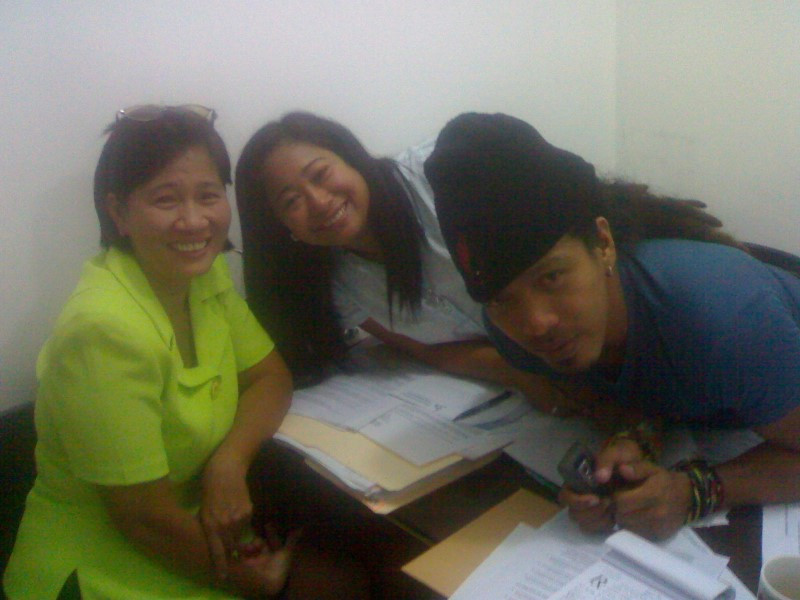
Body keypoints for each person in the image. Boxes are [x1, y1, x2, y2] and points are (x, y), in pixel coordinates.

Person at [3, 105, 367, 599]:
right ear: (119, 212)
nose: (194, 221)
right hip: (103, 570)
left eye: (209, 195)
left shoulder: (202, 277)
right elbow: (142, 519)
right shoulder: (101, 330)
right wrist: (255, 581)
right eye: (166, 199)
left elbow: (270, 378)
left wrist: (228, 463)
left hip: (198, 535)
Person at [424, 111, 800, 541]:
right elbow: (643, 390)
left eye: (551, 277)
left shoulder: (724, 323)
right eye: (502, 298)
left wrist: (694, 492)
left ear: (603, 244)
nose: (536, 325)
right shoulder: (513, 336)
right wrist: (634, 441)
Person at [234, 111, 575, 414]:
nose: (319, 202)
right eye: (291, 201)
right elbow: (427, 350)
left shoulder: (441, 177)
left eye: (321, 174)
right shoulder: (337, 286)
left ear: (351, 158)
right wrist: (523, 376)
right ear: (282, 227)